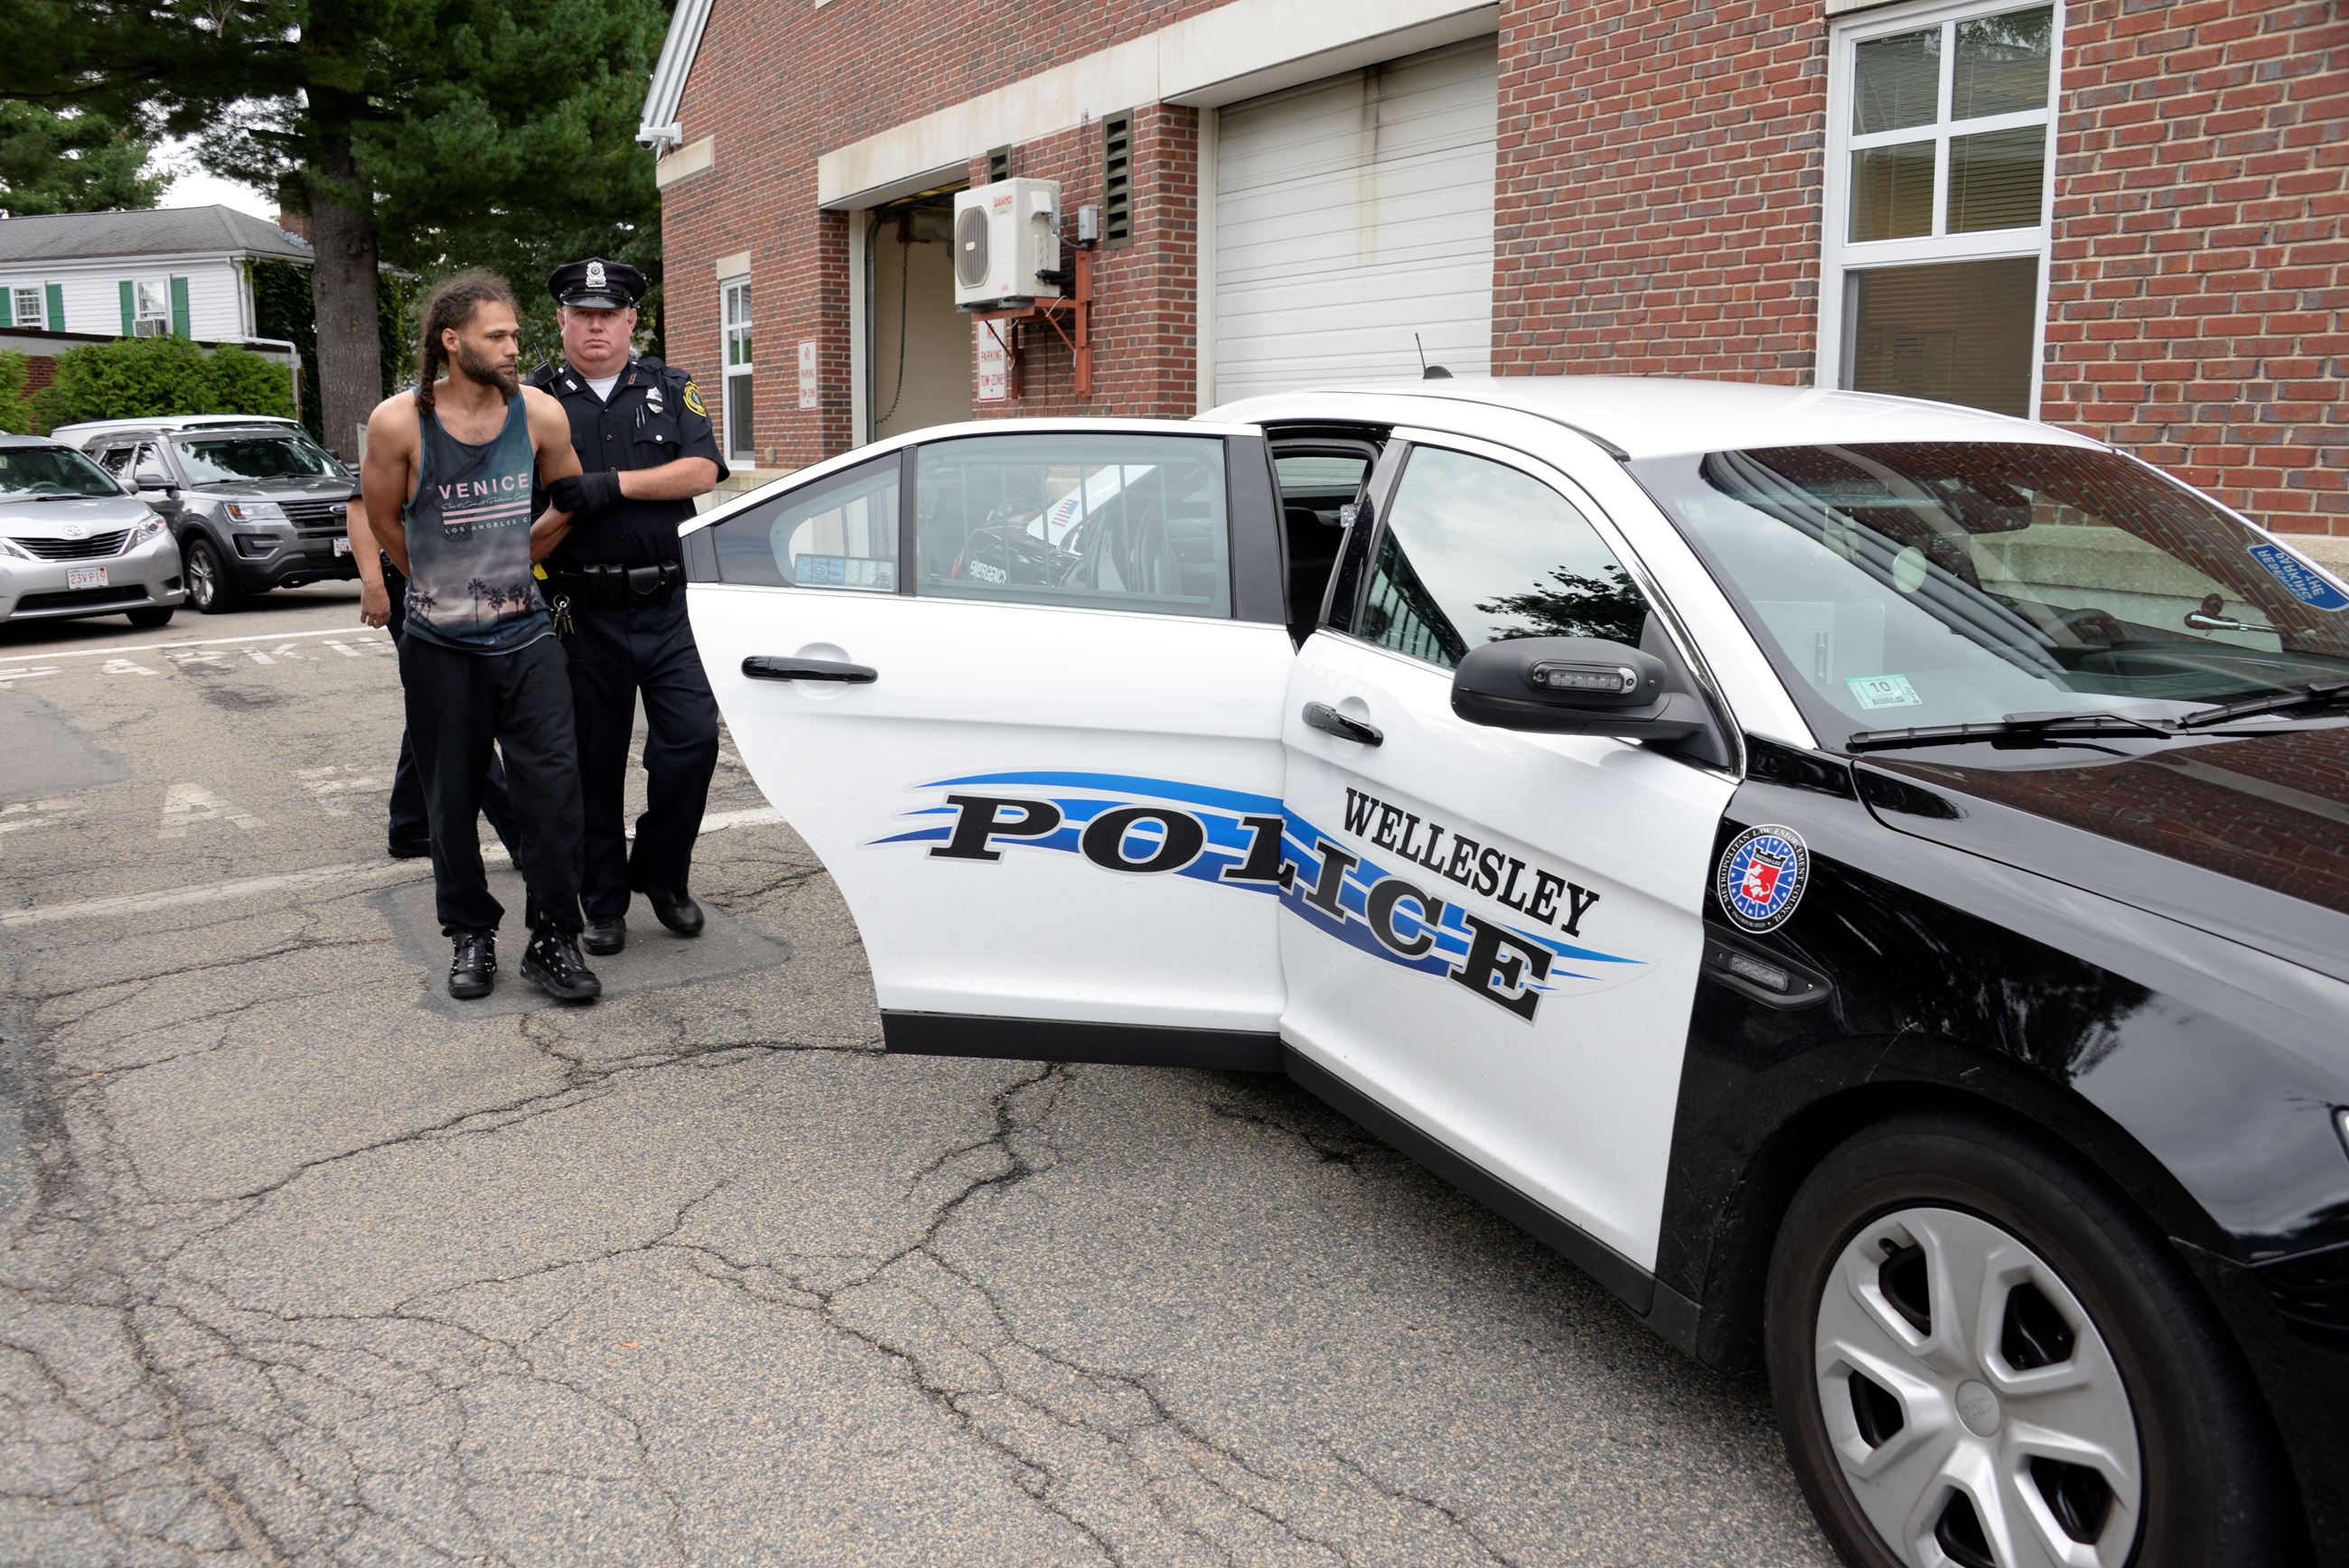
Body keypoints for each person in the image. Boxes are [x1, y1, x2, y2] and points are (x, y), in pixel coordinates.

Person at [359, 270, 602, 1004]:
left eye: (516, 335)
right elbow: (383, 522)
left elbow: (571, 498)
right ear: (451, 339)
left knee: (556, 794)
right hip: (439, 647)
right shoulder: (398, 423)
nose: (512, 347)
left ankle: (554, 938)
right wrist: (434, 581)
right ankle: (471, 934)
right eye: (497, 335)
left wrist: (516, 559)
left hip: (527, 637)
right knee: (450, 799)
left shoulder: (540, 415)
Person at [528, 257, 727, 957]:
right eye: (582, 315)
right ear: (561, 322)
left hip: (669, 603)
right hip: (581, 609)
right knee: (593, 761)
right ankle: (603, 901)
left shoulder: (671, 387)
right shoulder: (536, 401)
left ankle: (663, 876)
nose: (595, 327)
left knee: (692, 744)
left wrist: (607, 486)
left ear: (632, 320)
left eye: (608, 314)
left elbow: (701, 470)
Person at [346, 492, 520, 863]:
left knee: (434, 703)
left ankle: (409, 827)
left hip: (477, 579)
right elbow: (362, 506)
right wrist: (373, 583)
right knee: (458, 704)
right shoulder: (408, 432)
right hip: (415, 582)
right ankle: (520, 835)